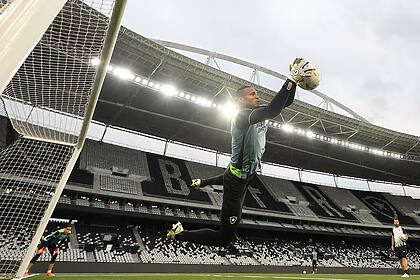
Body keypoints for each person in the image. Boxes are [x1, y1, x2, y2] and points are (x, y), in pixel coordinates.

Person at [167, 58, 312, 246]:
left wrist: (296, 82)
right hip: (236, 183)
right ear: (241, 100)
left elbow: (286, 102)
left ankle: (202, 183)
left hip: (241, 176)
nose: (257, 96)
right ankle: (179, 234)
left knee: (228, 178)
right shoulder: (241, 116)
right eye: (252, 94)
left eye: (257, 94)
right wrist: (290, 79)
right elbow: (273, 110)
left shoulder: (256, 112)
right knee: (225, 239)